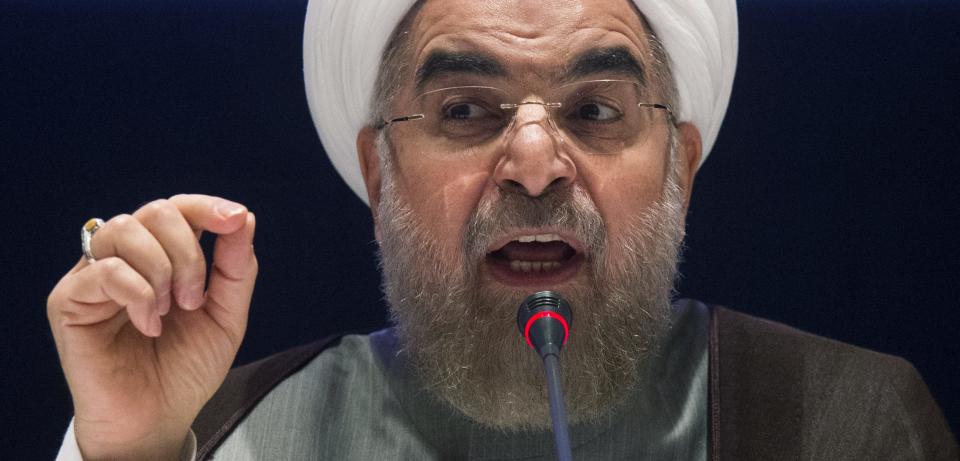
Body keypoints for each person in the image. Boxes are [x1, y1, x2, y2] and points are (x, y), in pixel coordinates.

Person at [50, 0, 958, 459]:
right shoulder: (237, 434)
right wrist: (129, 453)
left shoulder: (848, 421)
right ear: (379, 172)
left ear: (679, 165)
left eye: (597, 109)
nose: (534, 161)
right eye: (467, 108)